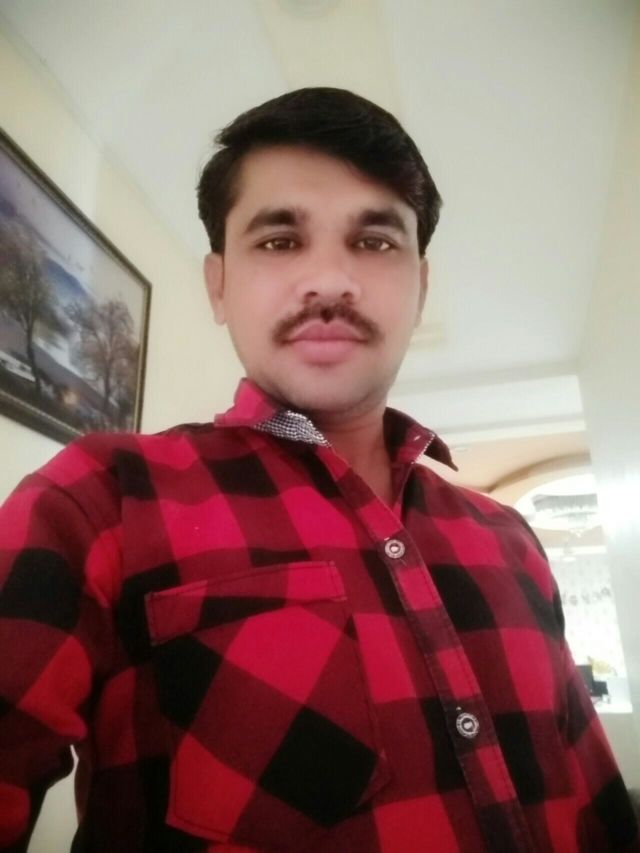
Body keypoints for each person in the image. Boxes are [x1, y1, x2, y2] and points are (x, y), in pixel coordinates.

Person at [0, 87, 637, 853]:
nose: (331, 280)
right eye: (279, 241)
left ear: (421, 286)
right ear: (218, 285)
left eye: (375, 241)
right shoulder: (98, 501)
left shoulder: (512, 542)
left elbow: (601, 812)